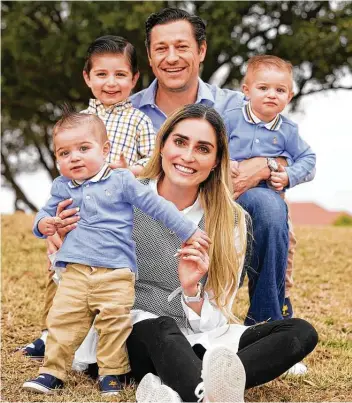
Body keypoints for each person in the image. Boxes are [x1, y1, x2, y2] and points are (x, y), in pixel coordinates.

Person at [47, 105, 318, 402]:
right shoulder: (115, 195)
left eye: (203, 149)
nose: (188, 157)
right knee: (160, 327)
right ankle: (204, 391)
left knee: (300, 331)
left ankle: (202, 387)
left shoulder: (232, 221)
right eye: (180, 142)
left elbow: (219, 313)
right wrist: (62, 249)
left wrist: (192, 293)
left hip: (198, 338)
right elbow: (75, 288)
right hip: (128, 332)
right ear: (162, 146)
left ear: (216, 161)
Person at [21, 109, 208, 395]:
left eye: (83, 148)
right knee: (62, 320)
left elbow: (157, 207)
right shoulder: (62, 187)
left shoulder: (121, 181)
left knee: (113, 325)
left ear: (105, 149)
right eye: (64, 153)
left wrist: (189, 231)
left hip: (116, 272)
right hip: (76, 271)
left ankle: (112, 373)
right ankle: (52, 371)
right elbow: (43, 215)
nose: (74, 157)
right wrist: (44, 224)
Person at [226, 54, 316, 319]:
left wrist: (288, 175)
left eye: (280, 90)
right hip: (229, 192)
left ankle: (269, 315)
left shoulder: (288, 130)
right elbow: (213, 143)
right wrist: (224, 161)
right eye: (263, 88)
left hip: (269, 195)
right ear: (246, 90)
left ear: (289, 96)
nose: (271, 95)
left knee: (283, 237)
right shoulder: (230, 119)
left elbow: (308, 160)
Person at [82, 35, 155, 176]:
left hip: (122, 194)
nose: (111, 83)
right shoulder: (78, 121)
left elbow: (152, 161)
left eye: (120, 74)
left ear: (133, 79)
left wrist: (129, 170)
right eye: (102, 74)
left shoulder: (139, 120)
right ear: (88, 78)